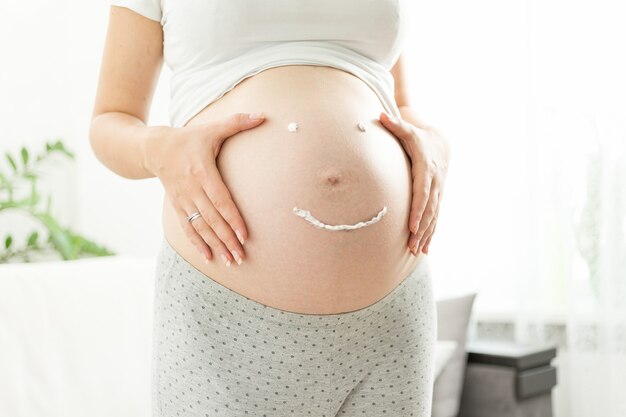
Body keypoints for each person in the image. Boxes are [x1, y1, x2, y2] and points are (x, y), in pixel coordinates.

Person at [90, 1, 451, 415]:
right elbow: (111, 118)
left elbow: (396, 101)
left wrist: (435, 141)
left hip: (392, 316)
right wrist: (158, 149)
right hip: (228, 315)